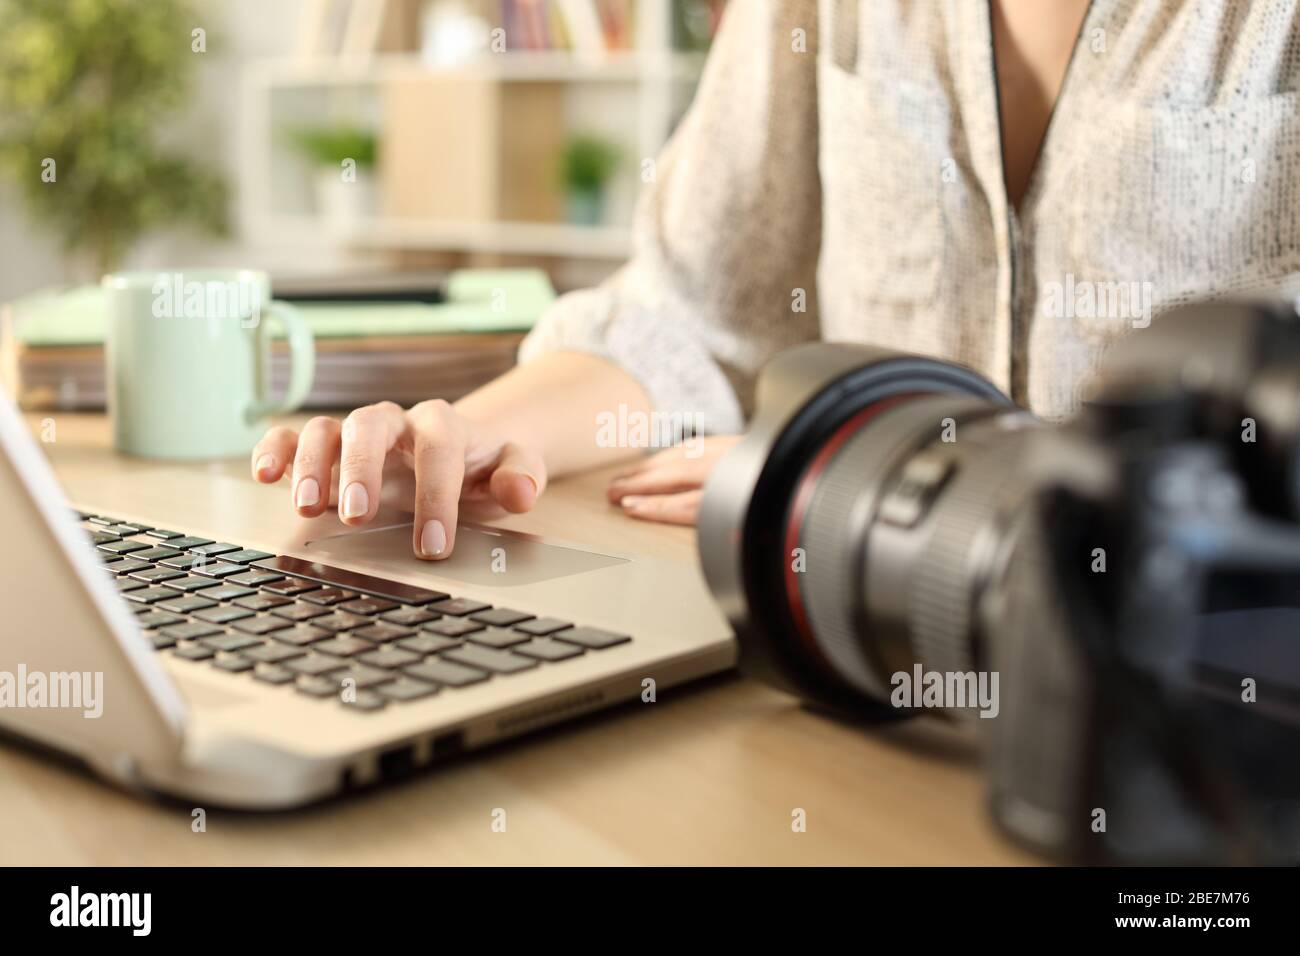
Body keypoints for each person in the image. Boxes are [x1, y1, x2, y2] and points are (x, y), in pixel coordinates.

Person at [249, 0, 1300, 558]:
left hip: (1202, 690)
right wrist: (466, 441)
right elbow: (692, 310)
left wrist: (863, 472)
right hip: (855, 646)